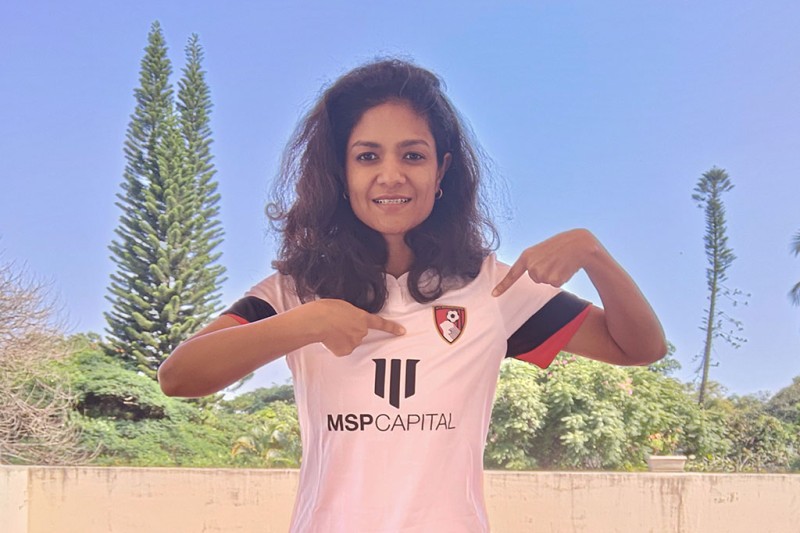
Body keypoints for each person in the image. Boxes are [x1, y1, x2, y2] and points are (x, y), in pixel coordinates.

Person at [158, 58, 667, 532]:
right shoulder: (294, 291)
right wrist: (306, 324)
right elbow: (180, 376)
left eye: (413, 155)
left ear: (441, 170)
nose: (391, 175)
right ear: (341, 172)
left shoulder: (494, 288)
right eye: (367, 156)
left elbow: (638, 347)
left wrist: (593, 253)